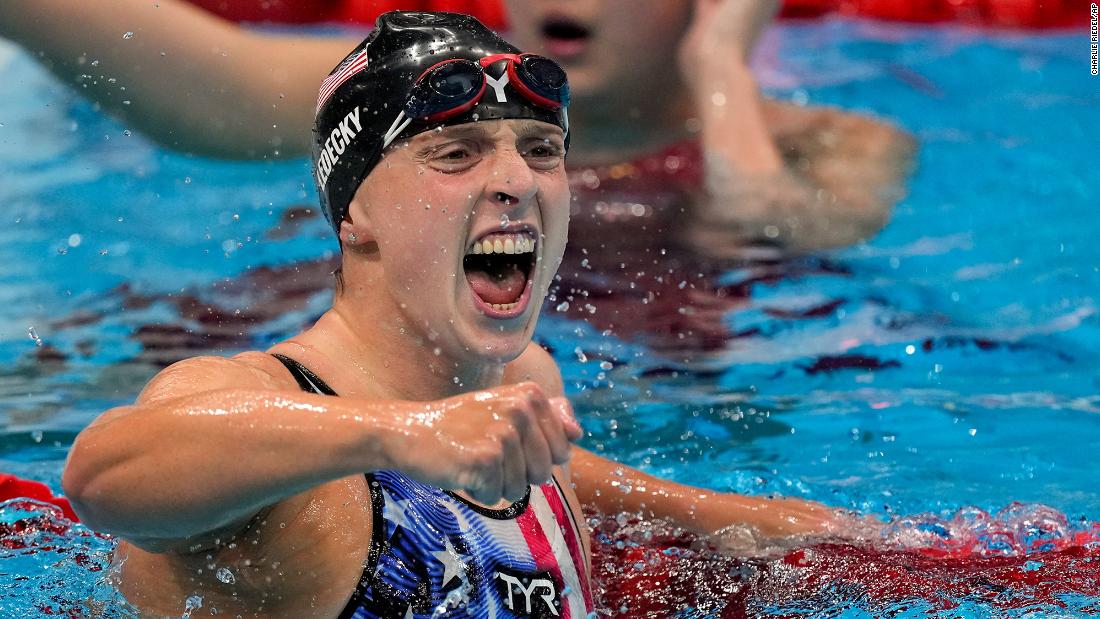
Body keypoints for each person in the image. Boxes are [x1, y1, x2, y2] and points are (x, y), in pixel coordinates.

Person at [61, 13, 839, 618]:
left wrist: (737, 518)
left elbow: (529, 461)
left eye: (540, 150)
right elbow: (104, 473)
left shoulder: (519, 380)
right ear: (353, 210)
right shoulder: (285, 442)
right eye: (456, 154)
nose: (516, 181)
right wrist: (401, 432)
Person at [1, 0, 912, 253]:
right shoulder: (423, 91)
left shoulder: (827, 140)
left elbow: (778, 235)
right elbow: (208, 94)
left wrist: (720, 65)